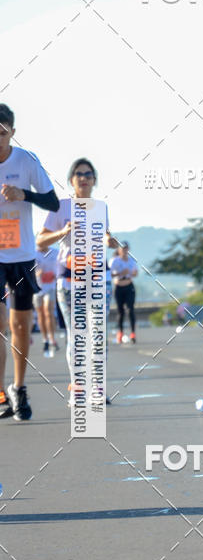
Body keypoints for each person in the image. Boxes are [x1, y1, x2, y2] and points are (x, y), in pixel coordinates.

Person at [37, 158, 118, 405]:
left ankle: (98, 389)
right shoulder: (60, 207)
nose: (83, 178)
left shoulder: (100, 207)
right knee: (76, 335)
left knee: (98, 335)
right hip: (70, 281)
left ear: (94, 180)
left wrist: (109, 242)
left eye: (88, 174)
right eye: (79, 174)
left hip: (98, 279)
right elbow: (40, 242)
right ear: (71, 179)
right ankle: (78, 389)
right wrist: (63, 232)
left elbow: (104, 236)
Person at [0, 104, 59, 420]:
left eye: (1, 132)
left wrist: (25, 195)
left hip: (21, 256)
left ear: (12, 132)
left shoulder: (26, 161)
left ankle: (18, 388)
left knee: (20, 326)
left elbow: (51, 200)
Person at [33, 242, 60, 355]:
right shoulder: (32, 254)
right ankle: (45, 340)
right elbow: (27, 272)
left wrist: (55, 275)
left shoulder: (55, 252)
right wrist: (37, 274)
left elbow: (61, 267)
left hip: (51, 286)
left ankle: (52, 338)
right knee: (41, 314)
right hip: (37, 288)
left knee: (48, 312)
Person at [110, 241, 138, 344]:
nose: (124, 250)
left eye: (126, 248)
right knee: (120, 311)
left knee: (130, 310)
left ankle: (133, 333)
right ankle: (120, 332)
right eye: (122, 248)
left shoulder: (131, 261)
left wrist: (132, 273)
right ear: (119, 250)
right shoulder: (114, 261)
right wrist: (121, 273)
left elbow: (135, 273)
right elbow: (110, 274)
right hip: (119, 286)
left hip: (129, 286)